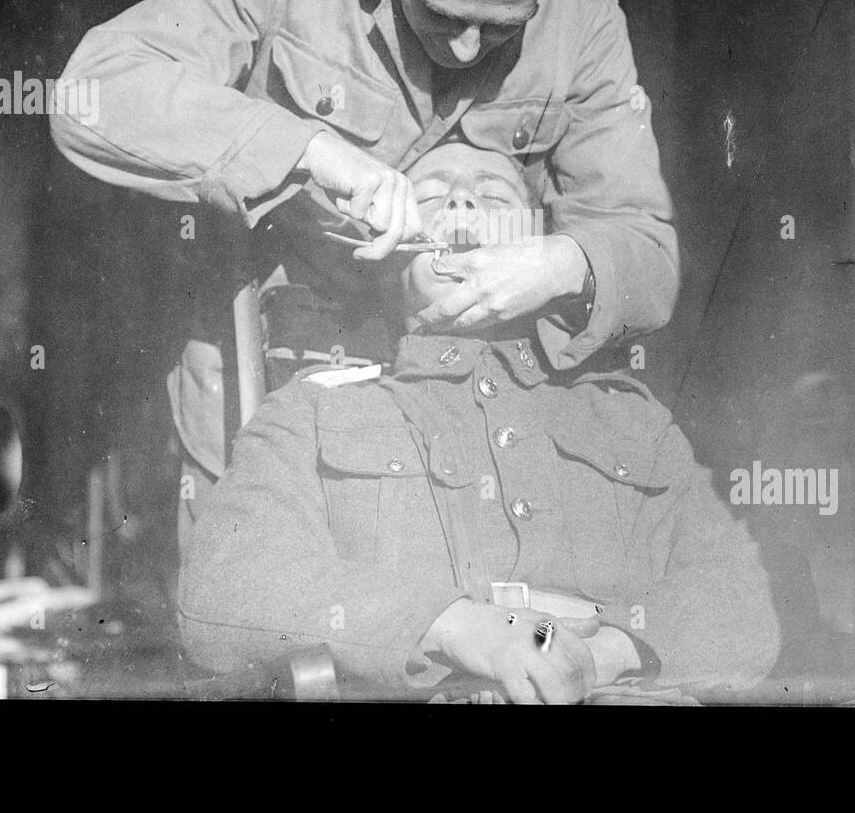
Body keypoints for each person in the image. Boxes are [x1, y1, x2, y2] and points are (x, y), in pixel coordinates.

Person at [50, 0, 681, 553]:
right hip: (269, 366)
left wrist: (567, 264)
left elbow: (647, 254)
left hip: (468, 400)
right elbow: (93, 93)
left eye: (503, 25)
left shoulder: (584, 17)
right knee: (252, 612)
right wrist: (309, 152)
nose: (469, 48)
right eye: (443, 15)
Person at [178, 142, 779, 704]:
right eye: (431, 197)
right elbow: (225, 590)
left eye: (495, 199)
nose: (463, 204)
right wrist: (454, 629)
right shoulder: (311, 414)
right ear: (390, 252)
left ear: (543, 247)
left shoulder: (635, 420)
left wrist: (600, 657)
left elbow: (741, 604)